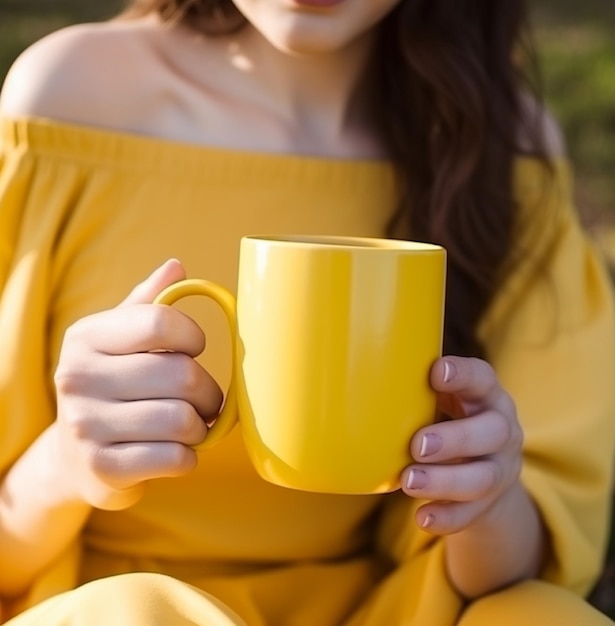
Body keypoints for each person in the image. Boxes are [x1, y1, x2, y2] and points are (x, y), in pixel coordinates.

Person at [0, 0, 614, 624]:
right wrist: (66, 460)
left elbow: (521, 574)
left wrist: (486, 498)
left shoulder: (503, 147)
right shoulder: (67, 100)